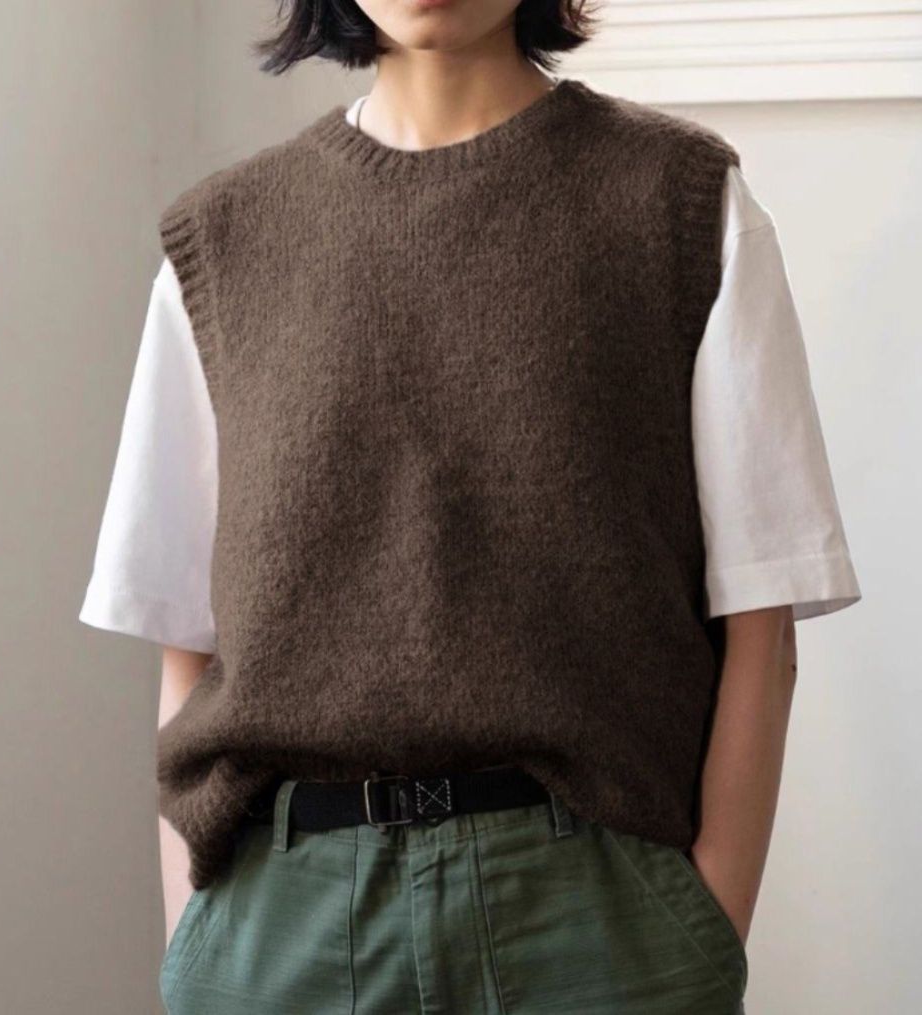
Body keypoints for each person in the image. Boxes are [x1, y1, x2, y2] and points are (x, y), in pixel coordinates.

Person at [79, 1, 862, 1012]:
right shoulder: (225, 236)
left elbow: (763, 612)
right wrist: (195, 931)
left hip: (591, 910)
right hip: (280, 917)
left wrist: (707, 922)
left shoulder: (677, 199)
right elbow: (182, 634)